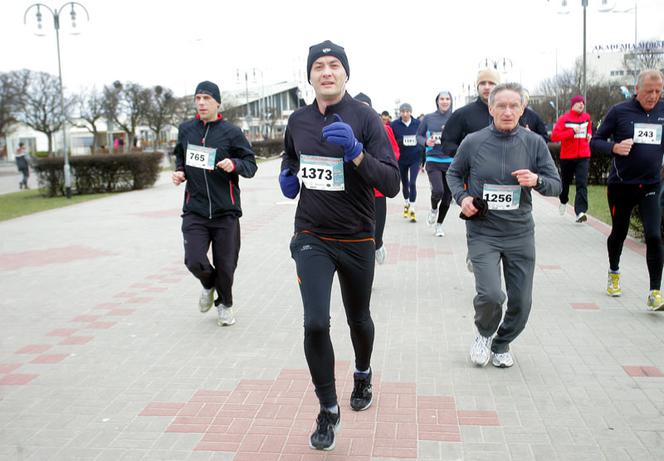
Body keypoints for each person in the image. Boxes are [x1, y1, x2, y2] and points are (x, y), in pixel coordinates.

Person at [279, 40, 400, 451]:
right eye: (318, 66)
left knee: (358, 318)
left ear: (346, 74)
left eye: (334, 65)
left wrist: (356, 152)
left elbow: (392, 183)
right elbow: (290, 159)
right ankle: (328, 408)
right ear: (310, 75)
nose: (326, 72)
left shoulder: (366, 118)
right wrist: (288, 177)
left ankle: (363, 371)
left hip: (357, 236)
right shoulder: (297, 120)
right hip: (311, 235)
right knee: (315, 322)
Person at [447, 82, 561, 368]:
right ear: (491, 108)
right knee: (491, 294)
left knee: (521, 302)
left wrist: (537, 181)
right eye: (502, 106)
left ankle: (502, 342)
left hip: (520, 233)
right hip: (483, 230)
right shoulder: (473, 141)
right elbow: (453, 174)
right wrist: (462, 198)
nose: (508, 111)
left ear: (523, 109)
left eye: (514, 106)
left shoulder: (533, 143)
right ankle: (484, 335)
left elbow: (556, 185)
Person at [172, 80, 258, 326]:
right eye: (197, 98)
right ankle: (208, 284)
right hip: (195, 210)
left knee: (227, 266)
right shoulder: (186, 129)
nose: (201, 103)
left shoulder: (231, 132)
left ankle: (225, 305)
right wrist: (180, 172)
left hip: (225, 212)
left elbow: (250, 165)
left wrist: (235, 164)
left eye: (206, 98)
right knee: (194, 259)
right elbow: (181, 157)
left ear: (218, 103)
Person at [590, 69, 664, 310]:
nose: (653, 96)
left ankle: (655, 292)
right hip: (621, 185)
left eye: (658, 91)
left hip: (651, 184)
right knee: (619, 232)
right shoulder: (619, 111)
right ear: (637, 90)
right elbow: (595, 141)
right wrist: (614, 148)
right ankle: (614, 272)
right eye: (649, 91)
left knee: (654, 235)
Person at [442, 68, 500, 271]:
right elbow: (447, 142)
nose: (487, 87)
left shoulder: (509, 111)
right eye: (483, 83)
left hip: (505, 179)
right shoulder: (463, 114)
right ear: (477, 86)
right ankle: (475, 252)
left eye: (491, 83)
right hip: (474, 178)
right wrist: (466, 156)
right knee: (476, 214)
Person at [355, 93, 400, 264]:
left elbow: (395, 151)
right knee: (362, 231)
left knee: (377, 229)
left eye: (366, 106)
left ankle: (378, 243)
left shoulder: (383, 128)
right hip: (357, 188)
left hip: (378, 187)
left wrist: (382, 162)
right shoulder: (347, 128)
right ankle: (365, 268)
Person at [417, 90, 454, 236]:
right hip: (433, 159)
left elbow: (464, 136)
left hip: (451, 161)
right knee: (438, 190)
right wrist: (426, 142)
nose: (444, 101)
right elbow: (418, 136)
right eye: (442, 99)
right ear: (437, 101)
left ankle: (439, 225)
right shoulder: (428, 118)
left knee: (447, 197)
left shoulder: (455, 118)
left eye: (447, 99)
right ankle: (433, 209)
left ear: (451, 101)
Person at [551, 95, 592, 222]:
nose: (581, 105)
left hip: (583, 156)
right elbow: (554, 136)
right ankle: (563, 200)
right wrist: (572, 132)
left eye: (583, 103)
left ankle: (580, 212)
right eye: (579, 103)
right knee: (566, 182)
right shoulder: (564, 119)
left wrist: (590, 134)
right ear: (573, 104)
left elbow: (589, 128)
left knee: (582, 184)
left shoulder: (586, 117)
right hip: (567, 156)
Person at [391, 103, 422, 222]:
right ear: (400, 113)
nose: (405, 114)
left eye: (407, 111)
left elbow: (421, 138)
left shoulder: (417, 124)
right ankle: (406, 203)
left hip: (415, 158)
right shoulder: (395, 125)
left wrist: (423, 158)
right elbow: (392, 141)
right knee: (405, 183)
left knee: (413, 183)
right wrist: (401, 141)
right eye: (402, 112)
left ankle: (413, 209)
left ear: (411, 112)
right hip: (401, 159)